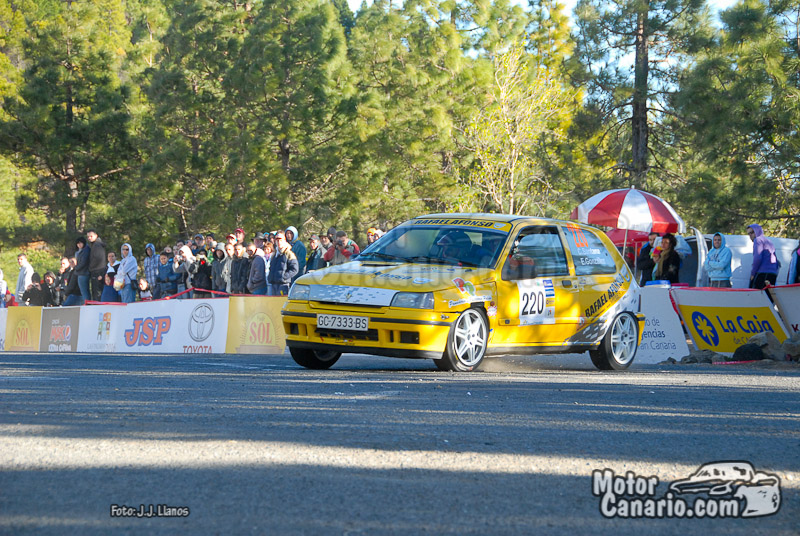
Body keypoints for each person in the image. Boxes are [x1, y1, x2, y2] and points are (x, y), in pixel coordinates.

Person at [747, 224, 779, 289]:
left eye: (752, 232)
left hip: (763, 273)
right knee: (769, 294)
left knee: (755, 293)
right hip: (773, 273)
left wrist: (753, 273)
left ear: (757, 231)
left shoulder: (758, 240)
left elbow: (757, 258)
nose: (750, 235)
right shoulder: (769, 241)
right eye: (748, 234)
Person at [268, 231, 299, 296]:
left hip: (283, 285)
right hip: (273, 284)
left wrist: (284, 277)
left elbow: (295, 269)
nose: (279, 242)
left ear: (284, 240)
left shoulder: (289, 254)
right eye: (277, 239)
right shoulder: (274, 254)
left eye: (280, 239)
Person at [86, 229, 107, 301]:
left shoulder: (97, 245)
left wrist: (90, 267)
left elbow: (97, 258)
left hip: (97, 271)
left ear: (96, 235)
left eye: (91, 236)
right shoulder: (94, 245)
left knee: (97, 292)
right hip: (97, 270)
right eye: (88, 237)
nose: (89, 238)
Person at [74, 236, 91, 301]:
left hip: (83, 273)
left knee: (84, 291)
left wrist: (76, 268)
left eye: (80, 243)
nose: (79, 245)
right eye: (78, 243)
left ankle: (87, 303)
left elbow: (83, 262)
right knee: (84, 290)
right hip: (81, 272)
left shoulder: (85, 250)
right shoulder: (79, 251)